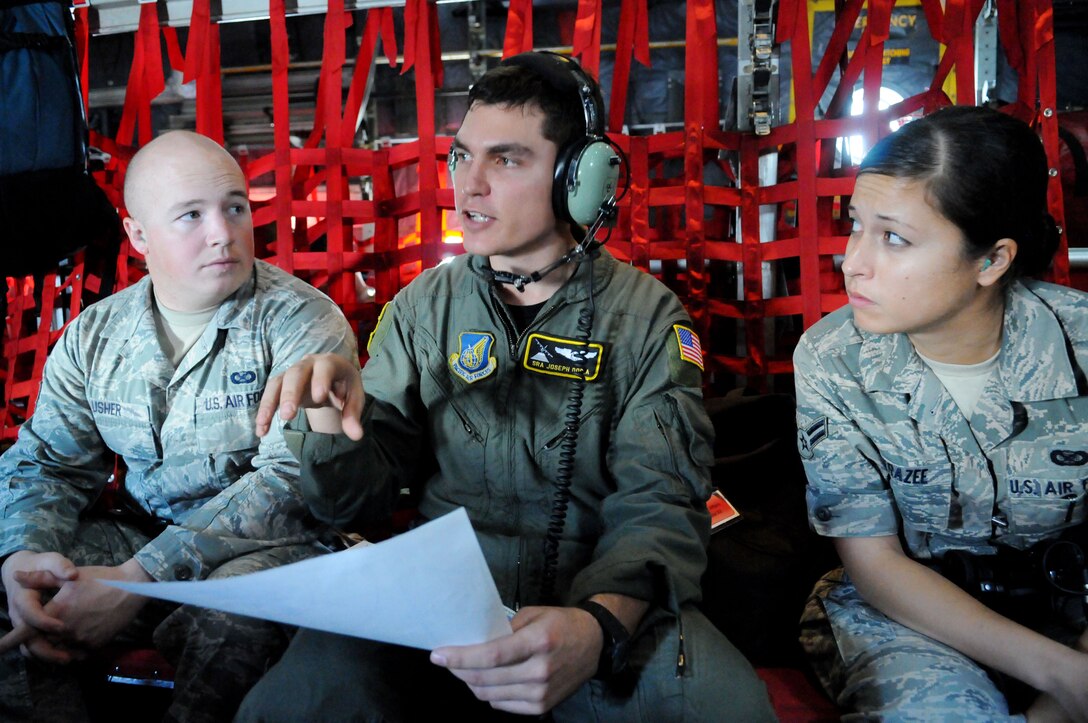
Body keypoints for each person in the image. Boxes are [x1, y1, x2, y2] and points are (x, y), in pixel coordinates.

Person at [234, 52, 775, 722]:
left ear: (581, 178)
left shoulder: (646, 320)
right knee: (300, 697)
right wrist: (326, 419)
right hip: (443, 600)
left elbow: (660, 502)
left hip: (594, 595)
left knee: (724, 705)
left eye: (507, 160)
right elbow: (358, 499)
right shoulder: (424, 308)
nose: (470, 186)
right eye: (462, 157)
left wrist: (598, 627)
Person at [0, 130, 359, 722]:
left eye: (235, 207)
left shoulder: (300, 320)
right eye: (191, 214)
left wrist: (138, 580)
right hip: (140, 534)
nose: (223, 232)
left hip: (269, 546)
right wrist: (23, 556)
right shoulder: (95, 336)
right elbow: (49, 463)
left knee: (236, 617)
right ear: (138, 235)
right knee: (20, 586)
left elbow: (291, 484)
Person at [793, 105, 1088, 721]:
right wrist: (1062, 677)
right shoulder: (833, 360)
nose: (852, 262)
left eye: (893, 238)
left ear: (992, 260)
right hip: (916, 618)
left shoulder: (1081, 345)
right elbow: (874, 562)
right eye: (856, 226)